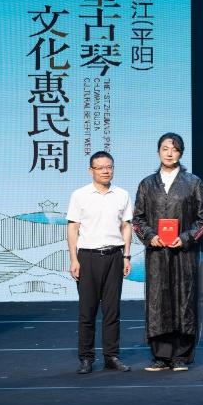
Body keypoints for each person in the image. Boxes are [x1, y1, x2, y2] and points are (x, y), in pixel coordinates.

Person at [133, 132, 203, 372]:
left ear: (181, 153)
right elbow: (137, 219)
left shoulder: (193, 183)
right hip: (157, 253)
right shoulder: (147, 184)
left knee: (184, 300)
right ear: (158, 151)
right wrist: (150, 236)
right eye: (165, 148)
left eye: (174, 149)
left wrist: (185, 238)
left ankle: (181, 356)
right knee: (158, 301)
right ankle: (161, 355)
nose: (169, 153)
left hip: (183, 254)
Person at [67, 151, 133, 374]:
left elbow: (126, 226)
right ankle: (86, 358)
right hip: (88, 257)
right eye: (101, 167)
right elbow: (73, 228)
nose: (106, 171)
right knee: (87, 311)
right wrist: (74, 258)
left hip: (114, 256)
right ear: (91, 170)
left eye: (109, 167)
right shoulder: (80, 195)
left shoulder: (122, 194)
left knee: (112, 310)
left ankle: (111, 356)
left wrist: (126, 256)